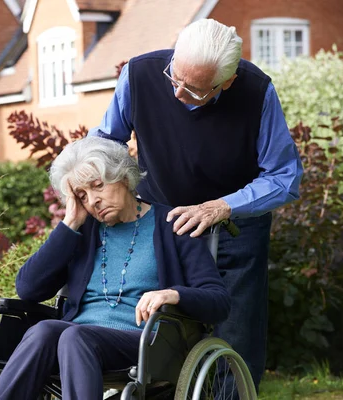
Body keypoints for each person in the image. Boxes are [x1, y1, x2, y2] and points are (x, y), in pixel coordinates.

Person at [88, 18, 303, 389]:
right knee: (160, 330)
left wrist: (222, 205)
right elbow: (105, 143)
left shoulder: (256, 91)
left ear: (227, 81)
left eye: (195, 90)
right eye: (175, 78)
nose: (177, 94)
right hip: (158, 222)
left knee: (235, 336)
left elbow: (284, 177)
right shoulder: (139, 74)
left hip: (234, 226)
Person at [0, 136, 230, 399]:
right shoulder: (83, 231)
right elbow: (28, 289)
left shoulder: (171, 225)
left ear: (123, 177)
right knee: (44, 330)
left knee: (74, 337)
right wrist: (69, 224)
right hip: (76, 341)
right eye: (82, 195)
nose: (92, 201)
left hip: (146, 341)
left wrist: (172, 294)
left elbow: (218, 302)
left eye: (97, 186)